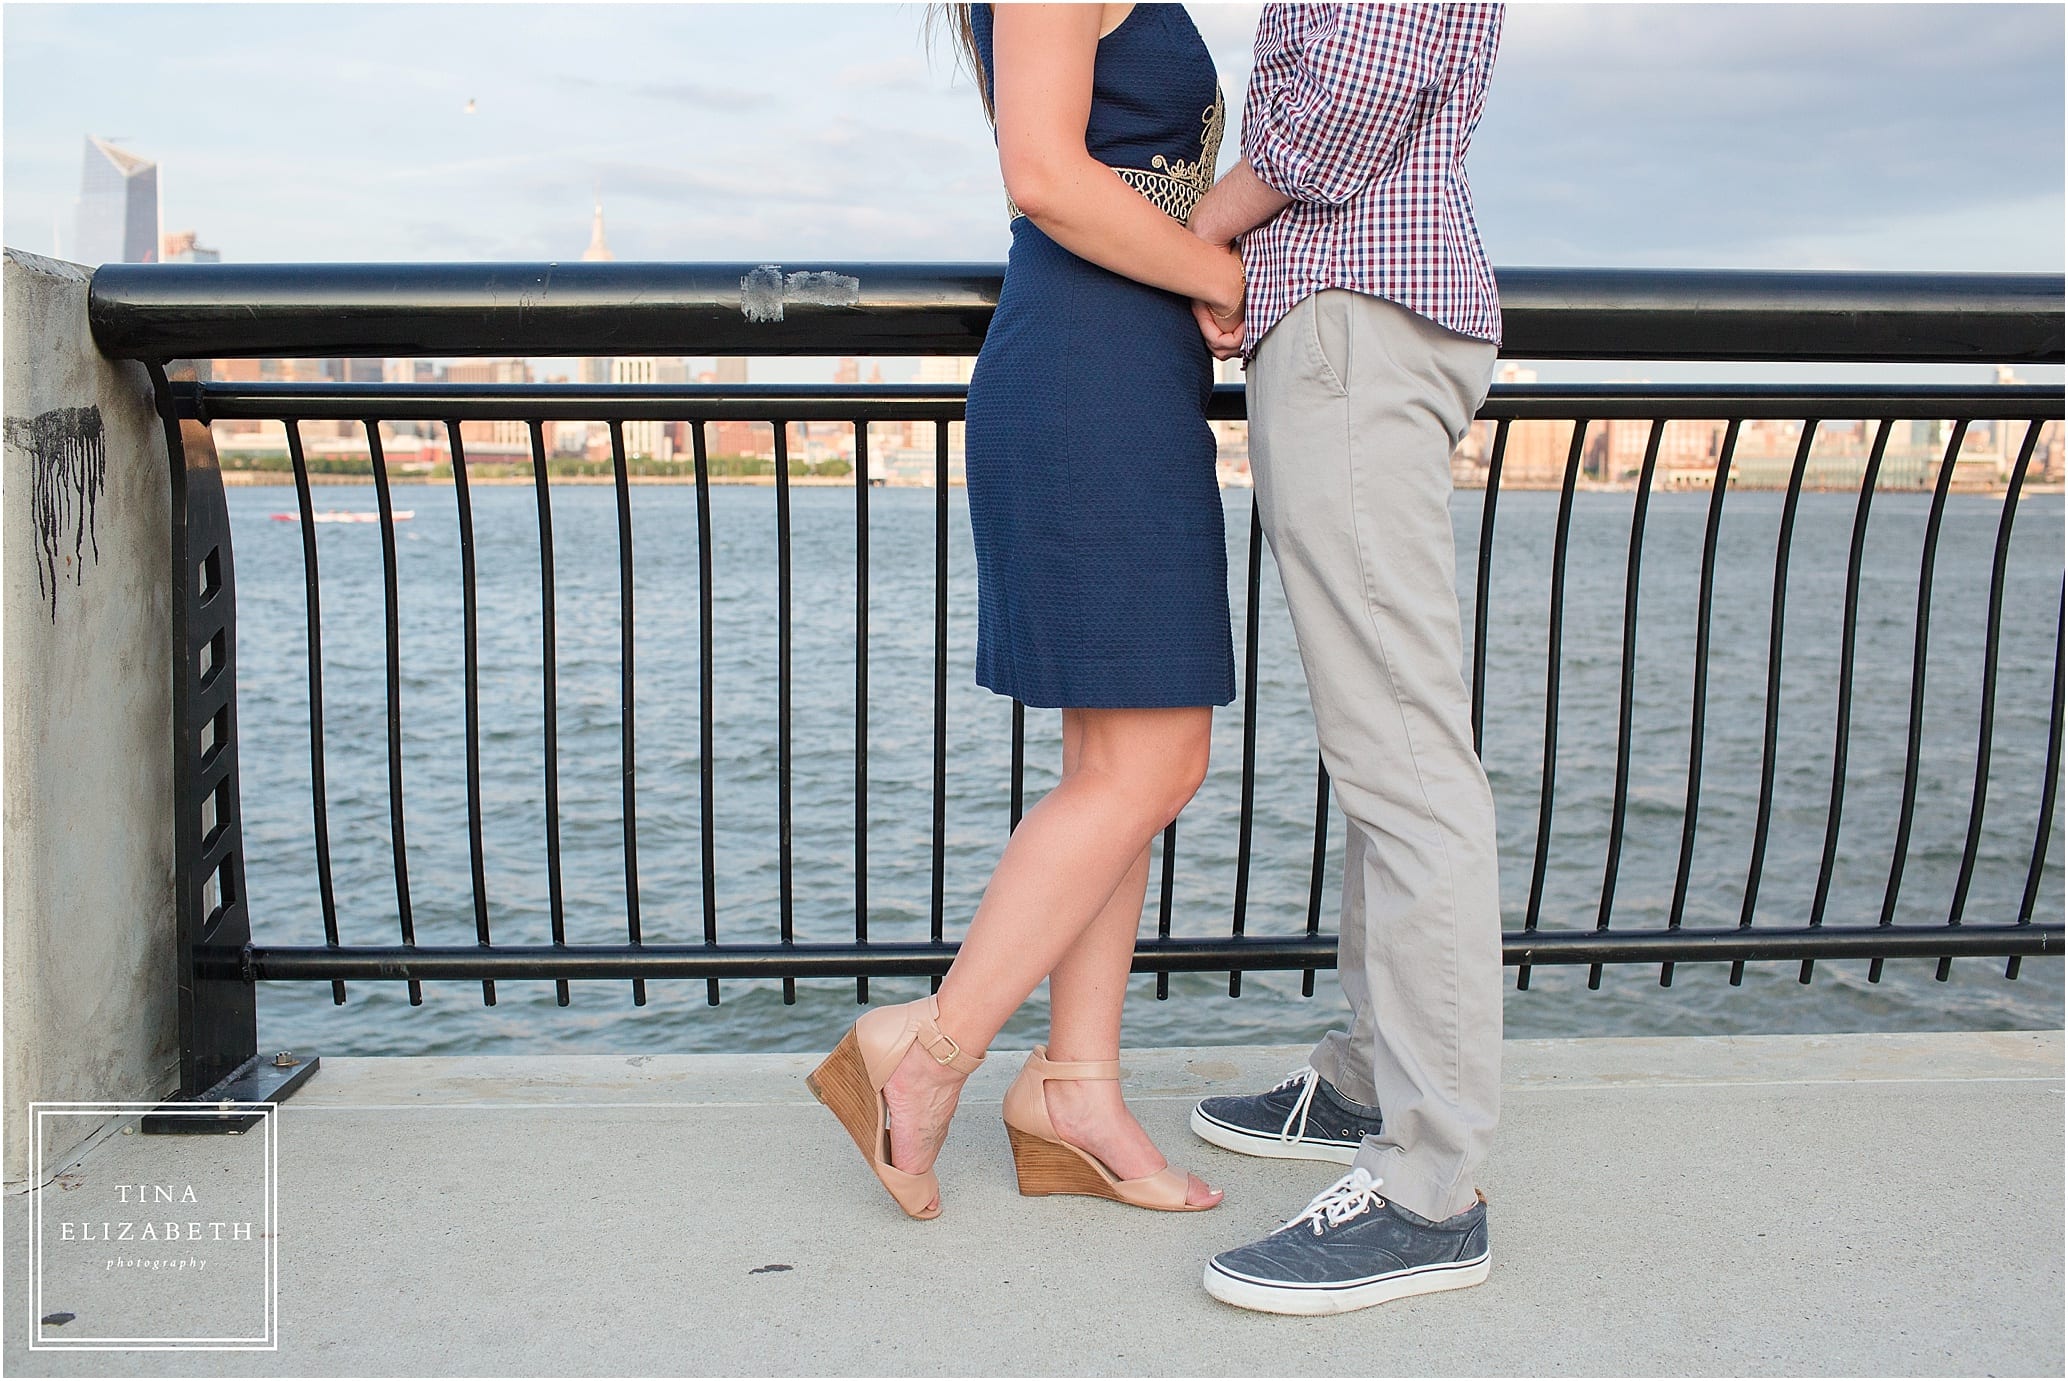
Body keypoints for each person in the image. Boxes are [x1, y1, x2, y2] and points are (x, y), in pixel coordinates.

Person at [808, 1, 1241, 1220]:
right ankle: (932, 1049)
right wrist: (1223, 278)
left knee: (1121, 764)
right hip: (1088, 374)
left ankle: (1078, 1089)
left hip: (1127, 371)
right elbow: (1046, 173)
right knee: (1151, 761)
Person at [1181, 3, 1507, 1316]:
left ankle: (1431, 1190)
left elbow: (1361, 79)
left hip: (1356, 313)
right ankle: (1373, 1079)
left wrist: (1208, 225)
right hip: (1365, 308)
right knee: (1390, 753)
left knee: (1407, 761)